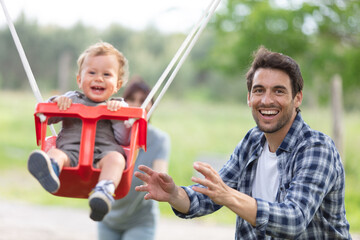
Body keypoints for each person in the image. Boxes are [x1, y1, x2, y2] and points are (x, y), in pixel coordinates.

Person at [135, 46, 351, 239]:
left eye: (279, 91)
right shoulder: (253, 140)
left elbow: (293, 219)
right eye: (259, 90)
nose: (266, 100)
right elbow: (209, 197)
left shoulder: (316, 148)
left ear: (297, 98)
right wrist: (175, 195)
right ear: (249, 97)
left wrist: (228, 195)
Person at [28, 41, 131, 222]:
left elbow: (124, 139)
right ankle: (50, 170)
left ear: (117, 84)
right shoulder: (71, 98)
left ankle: (104, 190)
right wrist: (58, 104)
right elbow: (47, 118)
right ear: (79, 79)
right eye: (92, 72)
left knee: (117, 159)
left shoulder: (117, 106)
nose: (98, 78)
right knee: (55, 153)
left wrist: (118, 114)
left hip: (103, 154)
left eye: (107, 74)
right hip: (70, 153)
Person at [98, 77, 171, 239]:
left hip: (140, 220)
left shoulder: (159, 140)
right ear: (123, 102)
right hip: (107, 217)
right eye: (131, 99)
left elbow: (159, 177)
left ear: (152, 105)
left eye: (143, 101)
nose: (137, 105)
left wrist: (157, 183)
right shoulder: (109, 134)